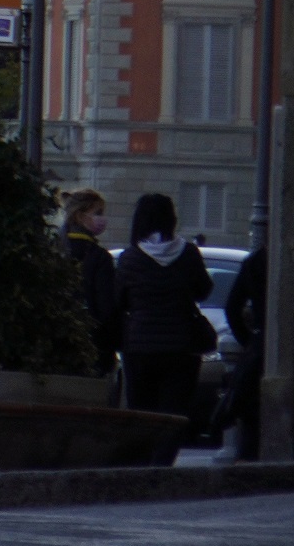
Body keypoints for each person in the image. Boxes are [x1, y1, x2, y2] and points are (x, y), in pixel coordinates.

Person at [114, 192, 217, 460]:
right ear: (171, 219)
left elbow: (119, 300)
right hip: (181, 347)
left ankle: (143, 465)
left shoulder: (130, 258)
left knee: (143, 412)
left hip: (139, 346)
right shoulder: (189, 254)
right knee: (174, 414)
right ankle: (163, 464)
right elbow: (203, 290)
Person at [216, 244, 269, 458]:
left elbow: (232, 307)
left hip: (258, 344)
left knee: (251, 415)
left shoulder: (256, 260)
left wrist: (248, 340)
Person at [61, 188, 121, 372]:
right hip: (93, 343)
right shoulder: (99, 257)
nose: (102, 219)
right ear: (80, 216)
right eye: (98, 213)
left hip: (58, 340)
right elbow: (106, 307)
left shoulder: (55, 247)